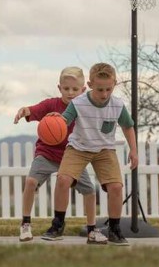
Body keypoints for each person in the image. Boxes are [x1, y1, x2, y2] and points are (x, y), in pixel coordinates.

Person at [42, 62, 138, 246]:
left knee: (116, 187)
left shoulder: (117, 105)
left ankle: (115, 230)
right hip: (78, 147)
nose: (104, 94)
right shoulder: (78, 103)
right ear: (91, 84)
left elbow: (128, 126)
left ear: (115, 84)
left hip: (104, 149)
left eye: (108, 89)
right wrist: (55, 123)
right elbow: (64, 122)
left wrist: (134, 151)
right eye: (100, 89)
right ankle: (57, 225)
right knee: (62, 179)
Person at [14, 66, 107, 245]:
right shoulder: (51, 105)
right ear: (59, 88)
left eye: (75, 89)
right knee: (31, 182)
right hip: (47, 153)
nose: (70, 93)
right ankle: (25, 224)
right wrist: (24, 110)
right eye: (66, 89)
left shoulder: (85, 109)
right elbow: (32, 110)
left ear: (83, 90)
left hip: (73, 156)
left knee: (89, 191)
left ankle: (92, 230)